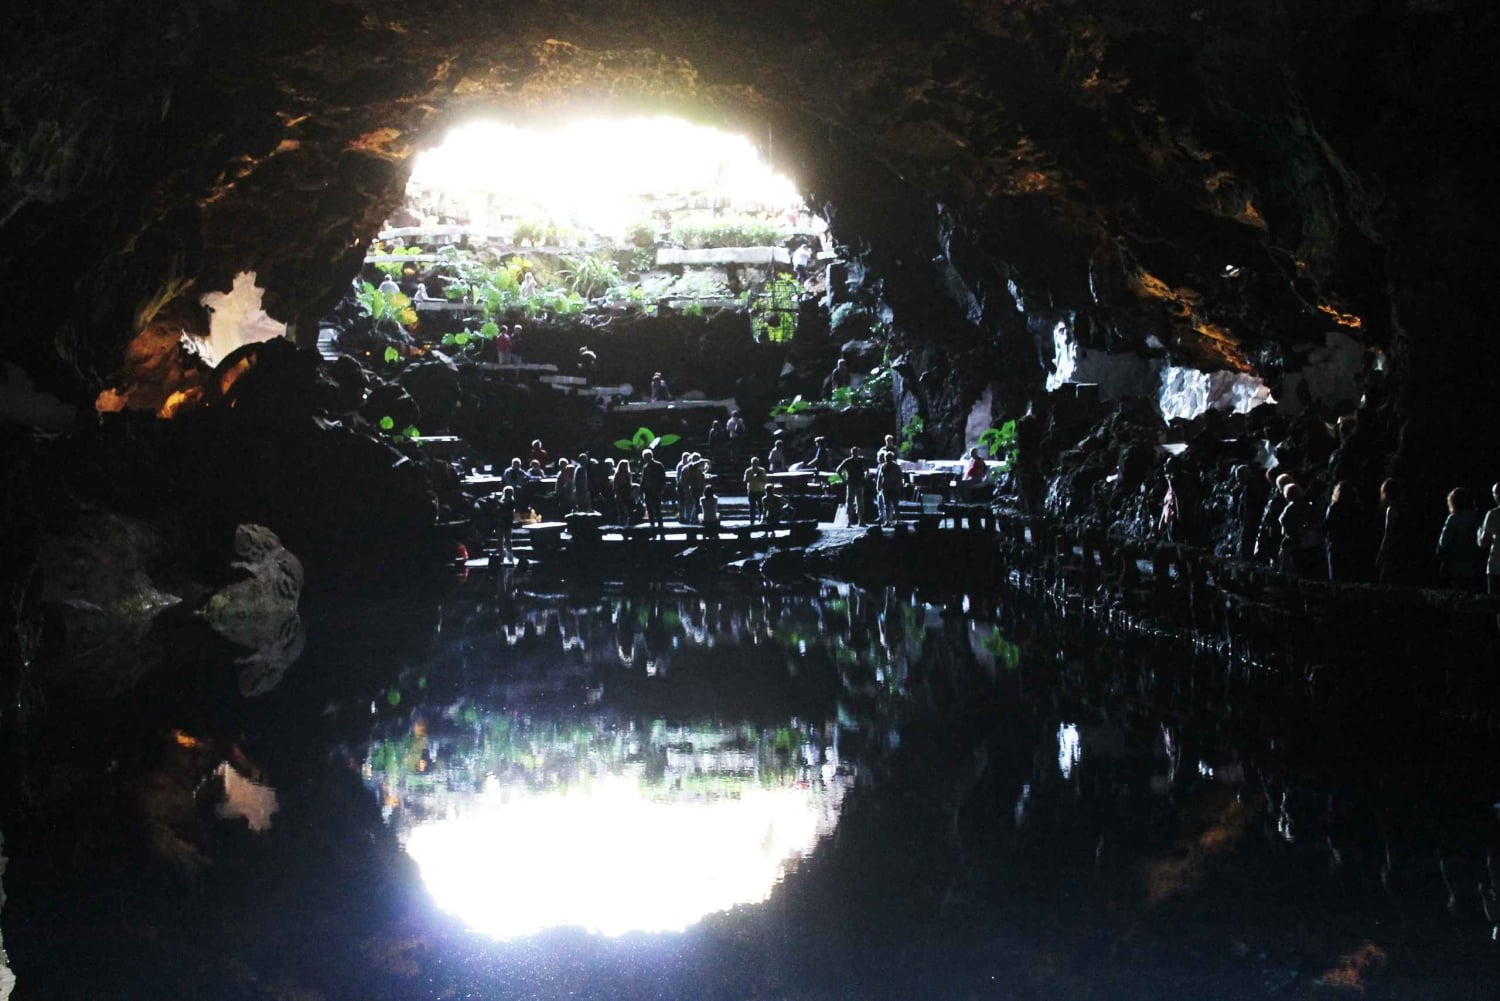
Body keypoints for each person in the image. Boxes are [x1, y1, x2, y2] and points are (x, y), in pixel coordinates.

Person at [1436, 487, 1483, 590]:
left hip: (1455, 564)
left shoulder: (1453, 519)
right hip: (1473, 564)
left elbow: (1444, 542)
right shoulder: (1476, 518)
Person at [1324, 480, 1365, 582]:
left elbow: (1327, 526)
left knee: (1336, 577)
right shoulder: (1357, 508)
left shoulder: (1334, 508)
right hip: (1353, 544)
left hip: (1336, 545)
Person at [1278, 482, 1323, 576]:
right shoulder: (1310, 506)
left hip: (1295, 542)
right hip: (1312, 542)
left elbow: (1284, 524)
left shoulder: (1289, 509)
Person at [836, 447, 868, 525]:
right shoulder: (848, 461)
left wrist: (865, 477)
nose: (855, 454)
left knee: (860, 503)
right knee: (850, 502)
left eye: (856, 452)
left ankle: (860, 520)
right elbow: (838, 470)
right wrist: (844, 479)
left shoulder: (862, 460)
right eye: (854, 452)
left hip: (859, 483)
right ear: (852, 453)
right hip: (851, 483)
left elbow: (867, 469)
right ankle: (849, 520)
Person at [1479, 481, 1500, 596]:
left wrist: (1480, 533)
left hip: (1496, 566)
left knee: (1494, 605)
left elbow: (1484, 543)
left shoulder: (1493, 514)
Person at [640, 448, 667, 534]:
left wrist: (661, 488)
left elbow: (663, 478)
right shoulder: (646, 467)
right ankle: (653, 525)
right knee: (650, 509)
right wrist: (642, 490)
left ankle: (660, 526)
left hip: (656, 490)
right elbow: (643, 480)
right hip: (648, 491)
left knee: (657, 509)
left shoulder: (658, 465)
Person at [876, 450, 904, 525]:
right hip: (885, 488)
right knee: (886, 505)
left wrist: (898, 485)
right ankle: (887, 520)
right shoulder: (883, 466)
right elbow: (880, 477)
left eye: (889, 457)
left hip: (894, 488)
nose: (887, 459)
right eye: (886, 457)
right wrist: (878, 486)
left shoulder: (896, 467)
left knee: (895, 505)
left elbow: (900, 477)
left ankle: (898, 520)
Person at [495, 485, 517, 561]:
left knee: (508, 540)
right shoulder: (502, 501)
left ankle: (510, 557)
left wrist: (498, 502)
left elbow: (506, 509)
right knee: (500, 541)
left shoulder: (512, 502)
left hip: (507, 523)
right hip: (500, 523)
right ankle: (501, 556)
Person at [744, 456, 768, 523]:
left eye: (756, 463)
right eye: (753, 463)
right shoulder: (748, 471)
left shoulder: (762, 470)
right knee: (752, 508)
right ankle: (752, 522)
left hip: (760, 491)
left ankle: (761, 520)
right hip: (752, 491)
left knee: (761, 508)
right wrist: (751, 477)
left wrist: (759, 476)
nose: (754, 464)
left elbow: (765, 480)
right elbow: (745, 480)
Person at [612, 459, 635, 525]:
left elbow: (630, 484)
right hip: (620, 493)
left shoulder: (628, 474)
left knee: (628, 511)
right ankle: (621, 525)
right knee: (621, 512)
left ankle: (628, 525)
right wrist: (617, 494)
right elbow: (615, 486)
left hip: (627, 493)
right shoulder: (617, 475)